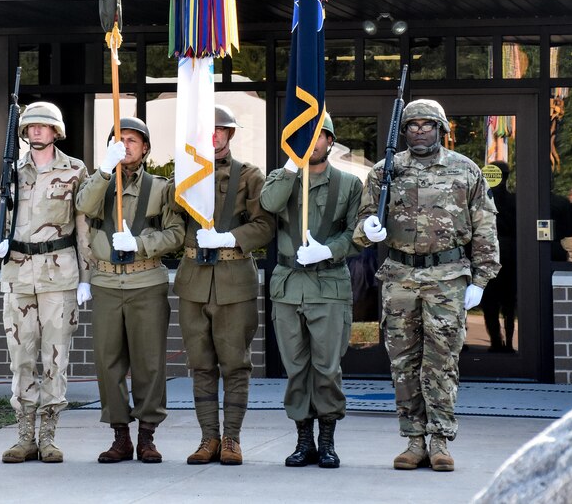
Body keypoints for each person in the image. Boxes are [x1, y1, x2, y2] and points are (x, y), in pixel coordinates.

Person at [355, 99, 499, 473]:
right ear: (404, 131)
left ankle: (440, 440)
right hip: (400, 277)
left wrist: (481, 278)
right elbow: (363, 219)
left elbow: (484, 225)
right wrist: (367, 229)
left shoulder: (465, 170)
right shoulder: (386, 171)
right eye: (413, 124)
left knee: (442, 362)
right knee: (403, 363)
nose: (420, 129)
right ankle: (413, 440)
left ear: (442, 129)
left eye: (428, 124)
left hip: (447, 278)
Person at [0, 101, 92, 465]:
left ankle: (48, 437)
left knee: (55, 358)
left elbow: (83, 227)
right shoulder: (11, 171)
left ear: (55, 132)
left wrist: (86, 277)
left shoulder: (75, 169)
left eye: (43, 126)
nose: (36, 131)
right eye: (30, 126)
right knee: (21, 357)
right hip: (18, 274)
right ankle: (24, 436)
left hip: (59, 275)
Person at [75, 117, 185, 464]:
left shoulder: (159, 187)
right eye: (118, 140)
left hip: (145, 282)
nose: (126, 145)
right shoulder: (98, 182)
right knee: (108, 362)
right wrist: (105, 170)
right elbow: (83, 207)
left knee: (148, 362)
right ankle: (120, 435)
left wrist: (138, 242)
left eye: (132, 140)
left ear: (146, 148)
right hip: (106, 282)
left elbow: (176, 234)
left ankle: (147, 436)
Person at [260, 113, 362, 469]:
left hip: (329, 285)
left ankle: (328, 440)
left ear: (330, 142)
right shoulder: (281, 176)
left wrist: (329, 249)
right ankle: (303, 439)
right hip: (288, 286)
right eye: (305, 136)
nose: (312, 142)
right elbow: (270, 204)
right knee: (296, 368)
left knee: (327, 367)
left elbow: (356, 233)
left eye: (319, 136)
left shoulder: (349, 184)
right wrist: (291, 164)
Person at [175, 105, 275, 467]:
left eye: (221, 130)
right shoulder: (185, 176)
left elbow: (265, 225)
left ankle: (231, 437)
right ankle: (208, 439)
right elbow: (171, 225)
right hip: (193, 282)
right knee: (201, 365)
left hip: (234, 282)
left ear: (230, 135)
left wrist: (229, 238)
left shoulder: (249, 175)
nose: (214, 135)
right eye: (209, 130)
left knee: (235, 365)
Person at [482, 160, 517, 353]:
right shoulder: (515, 200)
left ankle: (496, 341)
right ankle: (510, 342)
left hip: (488, 253)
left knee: (490, 302)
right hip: (511, 254)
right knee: (508, 303)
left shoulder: (481, 201)